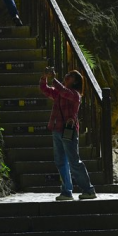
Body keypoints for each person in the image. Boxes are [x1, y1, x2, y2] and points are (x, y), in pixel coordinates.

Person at [39, 68, 97, 200]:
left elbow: (64, 92)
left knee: (74, 161)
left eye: (69, 76)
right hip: (57, 128)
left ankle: (88, 190)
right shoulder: (59, 93)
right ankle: (66, 191)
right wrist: (44, 77)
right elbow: (45, 90)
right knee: (60, 161)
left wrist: (54, 79)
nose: (66, 76)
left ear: (75, 81)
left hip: (68, 130)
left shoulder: (75, 94)